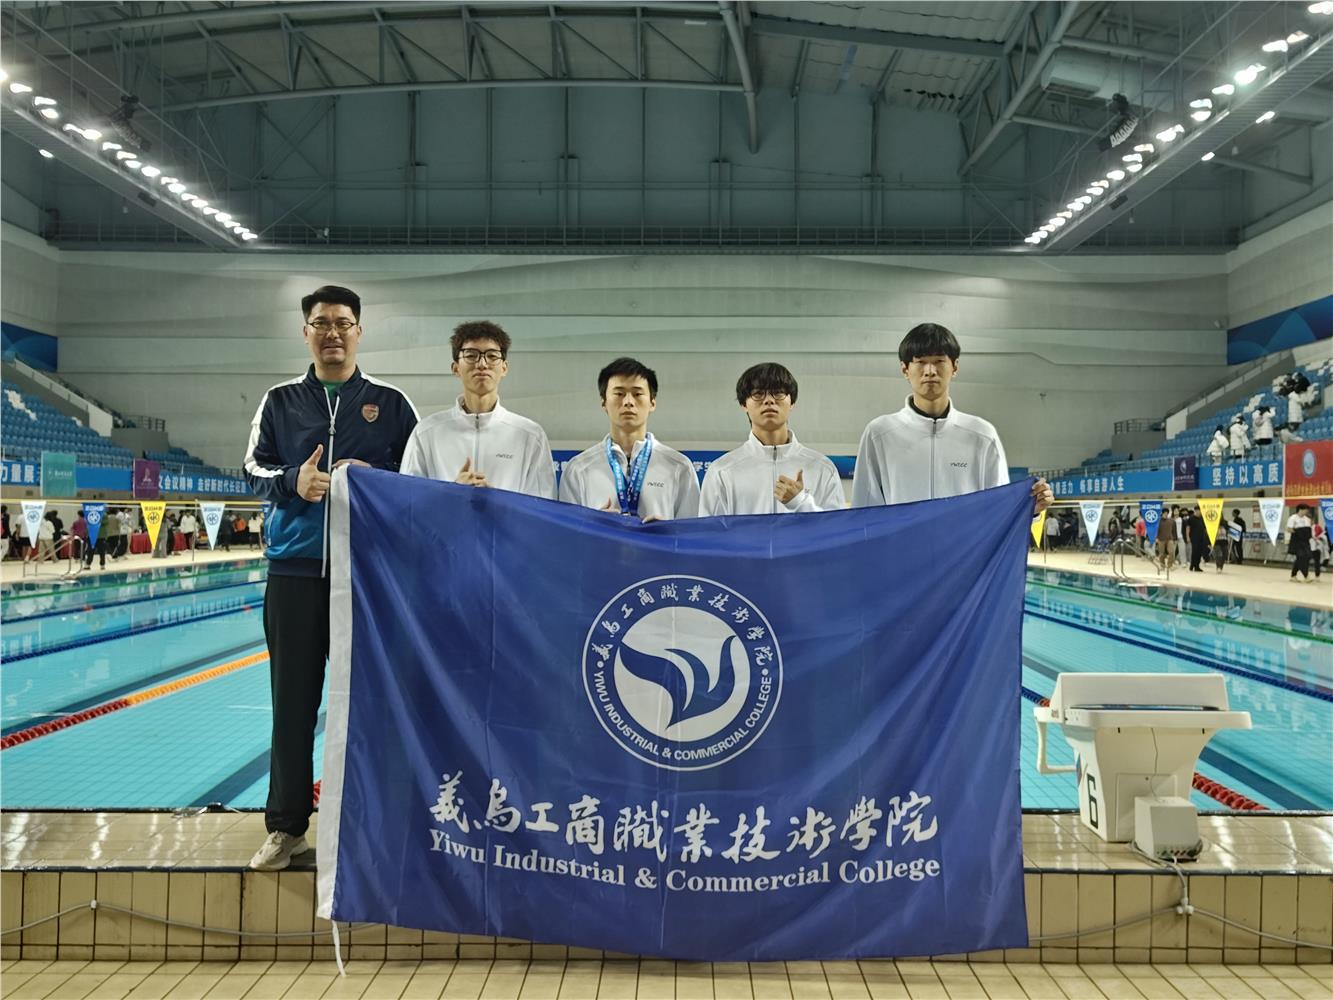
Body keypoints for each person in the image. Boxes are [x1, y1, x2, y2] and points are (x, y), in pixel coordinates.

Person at [243, 284, 419, 872]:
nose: (333, 333)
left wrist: (374, 477)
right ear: (306, 333)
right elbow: (252, 468)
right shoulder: (279, 401)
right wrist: (293, 479)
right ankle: (286, 827)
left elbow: (417, 478)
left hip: (366, 576)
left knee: (369, 706)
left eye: (343, 322)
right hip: (294, 574)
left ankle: (370, 826)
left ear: (359, 331)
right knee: (292, 706)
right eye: (321, 323)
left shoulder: (391, 404)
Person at [851, 323, 1052, 513]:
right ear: (905, 369)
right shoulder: (879, 434)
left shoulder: (982, 435)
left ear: (954, 367)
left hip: (967, 541)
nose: (930, 371)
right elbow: (865, 510)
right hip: (902, 541)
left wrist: (1029, 509)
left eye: (939, 361)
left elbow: (997, 509)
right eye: (920, 362)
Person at [400, 321, 555, 498]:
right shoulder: (426, 433)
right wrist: (451, 494)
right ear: (456, 368)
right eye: (471, 355)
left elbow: (542, 507)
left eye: (492, 356)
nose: (482, 364)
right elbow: (408, 501)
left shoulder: (530, 436)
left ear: (504, 367)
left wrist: (496, 503)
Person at [560, 357, 700, 520]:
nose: (628, 402)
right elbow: (566, 532)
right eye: (619, 394)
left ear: (652, 402)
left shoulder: (679, 467)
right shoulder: (578, 469)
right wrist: (593, 526)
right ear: (604, 402)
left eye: (637, 394)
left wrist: (666, 531)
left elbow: (692, 531)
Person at [700, 363, 843, 516]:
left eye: (778, 393)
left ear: (792, 402)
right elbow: (710, 529)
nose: (769, 400)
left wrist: (801, 503)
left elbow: (837, 527)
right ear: (744, 404)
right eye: (758, 394)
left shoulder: (822, 468)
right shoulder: (722, 471)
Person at [1287, 504, 1313, 583]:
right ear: (1300, 510)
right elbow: (1289, 529)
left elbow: (1308, 530)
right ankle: (1306, 576)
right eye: (1305, 510)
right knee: (1301, 557)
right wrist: (1298, 532)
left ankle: (1293, 576)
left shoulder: (1307, 519)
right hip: (1297, 540)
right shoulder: (1293, 518)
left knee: (1306, 557)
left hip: (1305, 541)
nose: (1307, 512)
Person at [1187, 507, 1208, 572]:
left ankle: (1197, 566)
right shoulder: (1191, 518)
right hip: (1194, 537)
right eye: (1198, 511)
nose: (1199, 512)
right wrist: (1188, 537)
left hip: (1201, 537)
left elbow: (1205, 528)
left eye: (1200, 511)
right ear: (1195, 511)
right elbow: (1188, 528)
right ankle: (1192, 565)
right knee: (1194, 552)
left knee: (1199, 552)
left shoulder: (1202, 518)